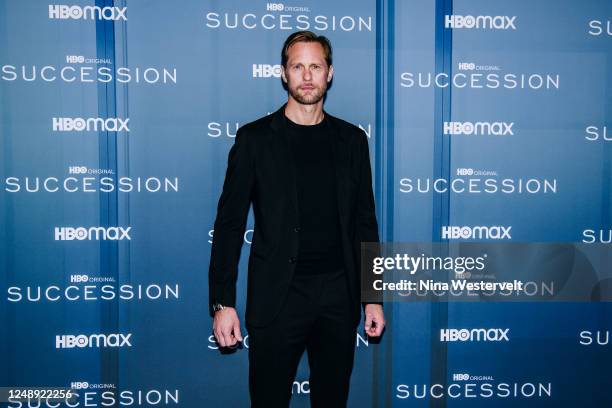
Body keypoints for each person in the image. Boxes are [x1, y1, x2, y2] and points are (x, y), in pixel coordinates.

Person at [208, 30, 385, 407]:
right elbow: (229, 225)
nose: (307, 76)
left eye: (315, 67)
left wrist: (372, 297)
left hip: (338, 296)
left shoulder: (353, 141)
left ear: (329, 73)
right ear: (284, 74)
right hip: (277, 297)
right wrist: (222, 303)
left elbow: (364, 223)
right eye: (298, 66)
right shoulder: (255, 139)